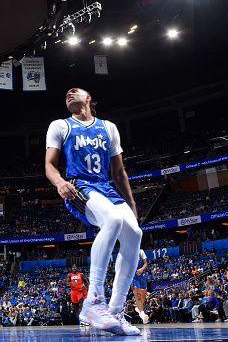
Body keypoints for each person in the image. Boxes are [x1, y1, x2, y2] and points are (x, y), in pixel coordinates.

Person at [45, 87, 142, 336]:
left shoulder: (108, 127)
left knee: (134, 233)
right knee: (111, 220)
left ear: (88, 99)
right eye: (66, 92)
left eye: (75, 91)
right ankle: (93, 301)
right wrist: (59, 183)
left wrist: (132, 206)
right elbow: (49, 165)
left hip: (105, 188)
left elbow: (119, 173)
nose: (68, 92)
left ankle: (116, 311)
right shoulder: (60, 125)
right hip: (79, 185)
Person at [132, 249, 150, 324]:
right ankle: (142, 314)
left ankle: (138, 308)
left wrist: (142, 269)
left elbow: (145, 263)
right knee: (138, 295)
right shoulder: (128, 252)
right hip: (134, 277)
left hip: (142, 276)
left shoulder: (140, 251)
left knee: (143, 297)